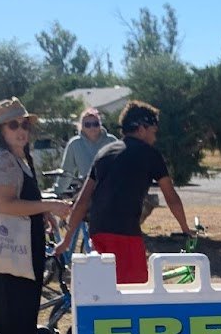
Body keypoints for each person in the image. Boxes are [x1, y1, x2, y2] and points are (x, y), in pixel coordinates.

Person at [0, 97, 71, 334]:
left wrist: (43, 215)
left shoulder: (22, 157)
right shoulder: (5, 160)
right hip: (12, 255)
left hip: (25, 250)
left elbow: (24, 199)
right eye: (13, 125)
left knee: (23, 312)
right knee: (15, 314)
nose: (21, 130)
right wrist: (48, 206)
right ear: (0, 131)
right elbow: (5, 204)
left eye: (24, 124)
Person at [55, 100, 191, 284]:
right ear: (142, 129)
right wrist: (185, 230)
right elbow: (171, 197)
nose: (154, 138)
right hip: (125, 232)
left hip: (98, 231)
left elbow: (83, 200)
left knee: (106, 288)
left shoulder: (104, 153)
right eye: (153, 132)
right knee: (134, 293)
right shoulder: (150, 154)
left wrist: (67, 239)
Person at [56, 108, 117, 194]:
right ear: (81, 126)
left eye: (95, 124)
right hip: (87, 191)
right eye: (87, 124)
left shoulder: (112, 141)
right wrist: (58, 192)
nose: (92, 127)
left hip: (111, 190)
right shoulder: (74, 144)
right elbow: (67, 172)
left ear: (100, 124)